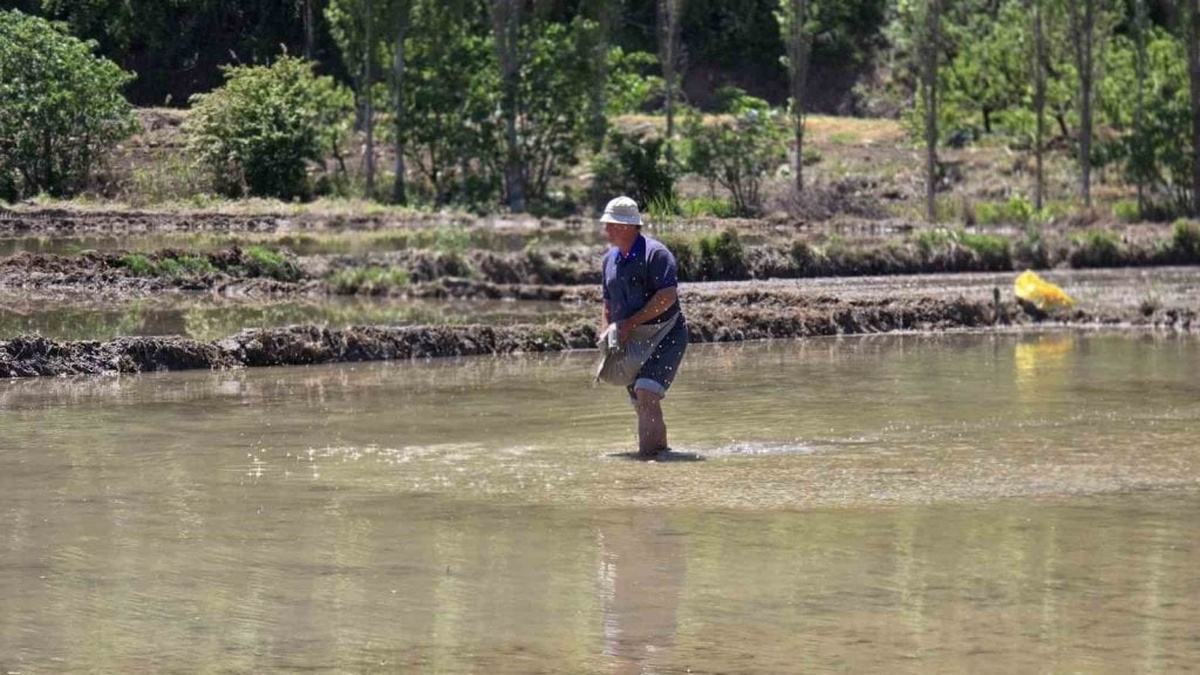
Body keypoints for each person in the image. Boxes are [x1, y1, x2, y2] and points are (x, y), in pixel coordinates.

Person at [598, 195, 688, 457]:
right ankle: (661, 454)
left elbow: (667, 297)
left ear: (628, 226)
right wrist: (606, 330)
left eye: (611, 224)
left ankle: (648, 464)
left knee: (646, 393)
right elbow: (607, 302)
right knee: (641, 402)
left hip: (666, 333)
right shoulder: (608, 261)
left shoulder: (656, 254)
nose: (606, 229)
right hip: (631, 336)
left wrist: (631, 322)